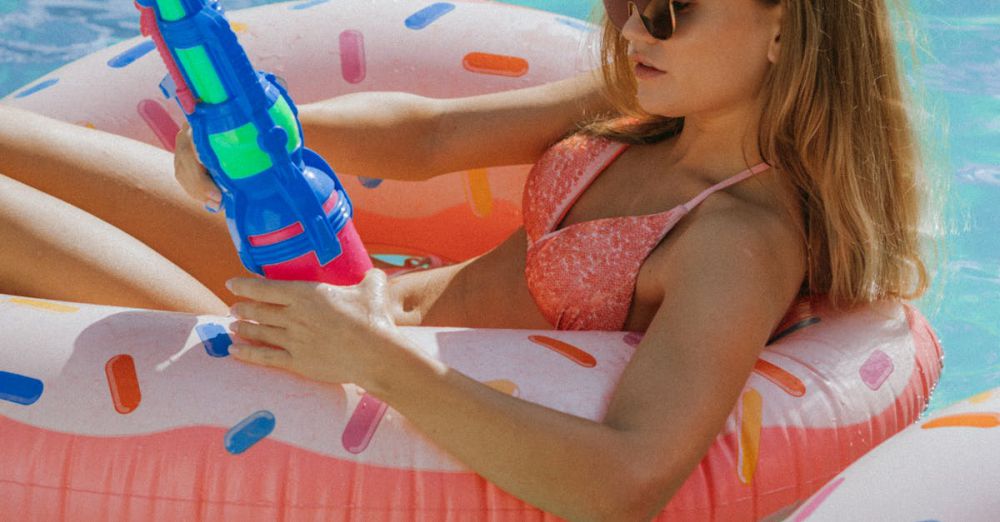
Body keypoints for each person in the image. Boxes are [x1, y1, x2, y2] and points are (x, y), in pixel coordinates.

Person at [0, 0, 929, 518]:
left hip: (318, 364)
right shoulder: (639, 107)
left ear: (787, 25)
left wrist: (370, 360)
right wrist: (280, 132)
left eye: (670, 8)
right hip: (352, 282)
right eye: (623, 2)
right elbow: (431, 134)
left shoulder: (740, 241)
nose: (635, 28)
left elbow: (630, 477)